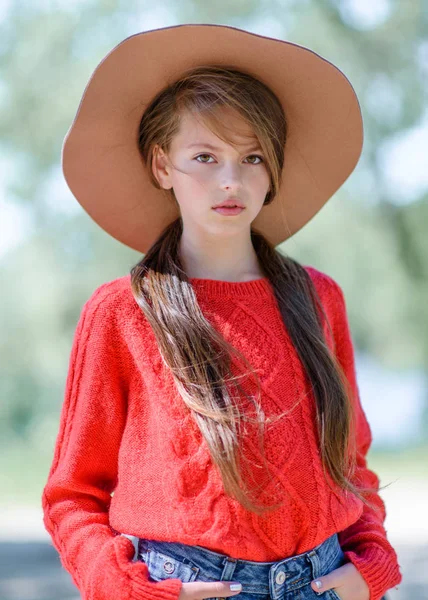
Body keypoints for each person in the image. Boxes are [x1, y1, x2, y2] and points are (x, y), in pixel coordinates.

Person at [42, 24, 402, 600]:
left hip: (324, 583)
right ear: (162, 165)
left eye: (253, 157)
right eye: (204, 157)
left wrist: (371, 565)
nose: (231, 180)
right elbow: (72, 497)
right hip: (182, 586)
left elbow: (351, 459)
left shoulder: (319, 298)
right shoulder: (122, 312)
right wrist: (130, 589)